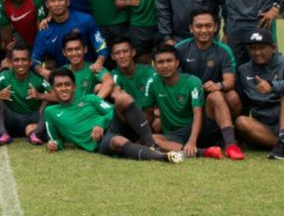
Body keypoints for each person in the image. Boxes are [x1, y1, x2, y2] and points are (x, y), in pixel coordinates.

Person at [44, 67, 184, 163]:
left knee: (123, 99)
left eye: (67, 84)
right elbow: (55, 139)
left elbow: (112, 111)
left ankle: (150, 145)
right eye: (59, 85)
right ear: (53, 88)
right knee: (118, 141)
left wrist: (100, 123)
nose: (64, 89)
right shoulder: (50, 112)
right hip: (99, 141)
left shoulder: (89, 99)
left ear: (74, 87)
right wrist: (55, 144)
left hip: (114, 125)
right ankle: (163, 157)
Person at [144, 44, 239, 159]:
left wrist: (192, 140)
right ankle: (204, 152)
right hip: (175, 134)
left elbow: (197, 113)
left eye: (169, 61)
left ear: (177, 63)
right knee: (152, 139)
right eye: (160, 62)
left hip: (200, 129)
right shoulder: (152, 82)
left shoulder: (193, 82)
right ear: (155, 65)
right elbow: (148, 112)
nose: (165, 65)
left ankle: (231, 145)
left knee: (216, 96)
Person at [0, 42, 52, 145]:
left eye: (24, 60)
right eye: (16, 60)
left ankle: (36, 133)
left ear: (30, 62)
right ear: (11, 62)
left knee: (49, 101)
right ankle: (3, 134)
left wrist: (40, 96)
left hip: (32, 119)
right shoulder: (5, 76)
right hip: (11, 120)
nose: (20, 63)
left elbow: (57, 96)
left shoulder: (37, 78)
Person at [31, 0, 108, 77]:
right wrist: (43, 71)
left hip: (89, 74)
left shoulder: (85, 20)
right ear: (47, 4)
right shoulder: (44, 30)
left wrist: (99, 62)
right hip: (63, 79)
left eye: (60, 0)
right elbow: (35, 59)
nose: (57, 4)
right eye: (53, 1)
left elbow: (102, 46)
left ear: (68, 2)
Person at [175, 10, 240, 115]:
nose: (204, 30)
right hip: (188, 94)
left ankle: (230, 127)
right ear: (191, 28)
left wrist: (218, 86)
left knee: (233, 97)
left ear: (215, 27)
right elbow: (172, 78)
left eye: (208, 26)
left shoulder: (224, 50)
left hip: (214, 95)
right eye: (199, 26)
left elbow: (230, 81)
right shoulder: (180, 48)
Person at [234, 28, 284, 159]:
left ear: (273, 48)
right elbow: (243, 102)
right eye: (253, 48)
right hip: (263, 125)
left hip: (281, 118)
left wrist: (273, 86)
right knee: (241, 122)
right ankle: (280, 145)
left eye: (262, 48)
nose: (257, 52)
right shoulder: (244, 70)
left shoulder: (283, 63)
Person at [62, 33, 113, 100]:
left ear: (85, 49)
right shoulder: (62, 72)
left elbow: (109, 81)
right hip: (69, 109)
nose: (74, 53)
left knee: (99, 87)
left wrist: (96, 100)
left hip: (89, 108)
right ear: (64, 52)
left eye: (77, 49)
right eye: (70, 50)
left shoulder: (93, 68)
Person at [110, 37, 155, 107]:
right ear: (112, 57)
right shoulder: (114, 75)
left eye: (125, 51)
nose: (122, 56)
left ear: (133, 52)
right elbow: (116, 93)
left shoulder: (149, 72)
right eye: (117, 53)